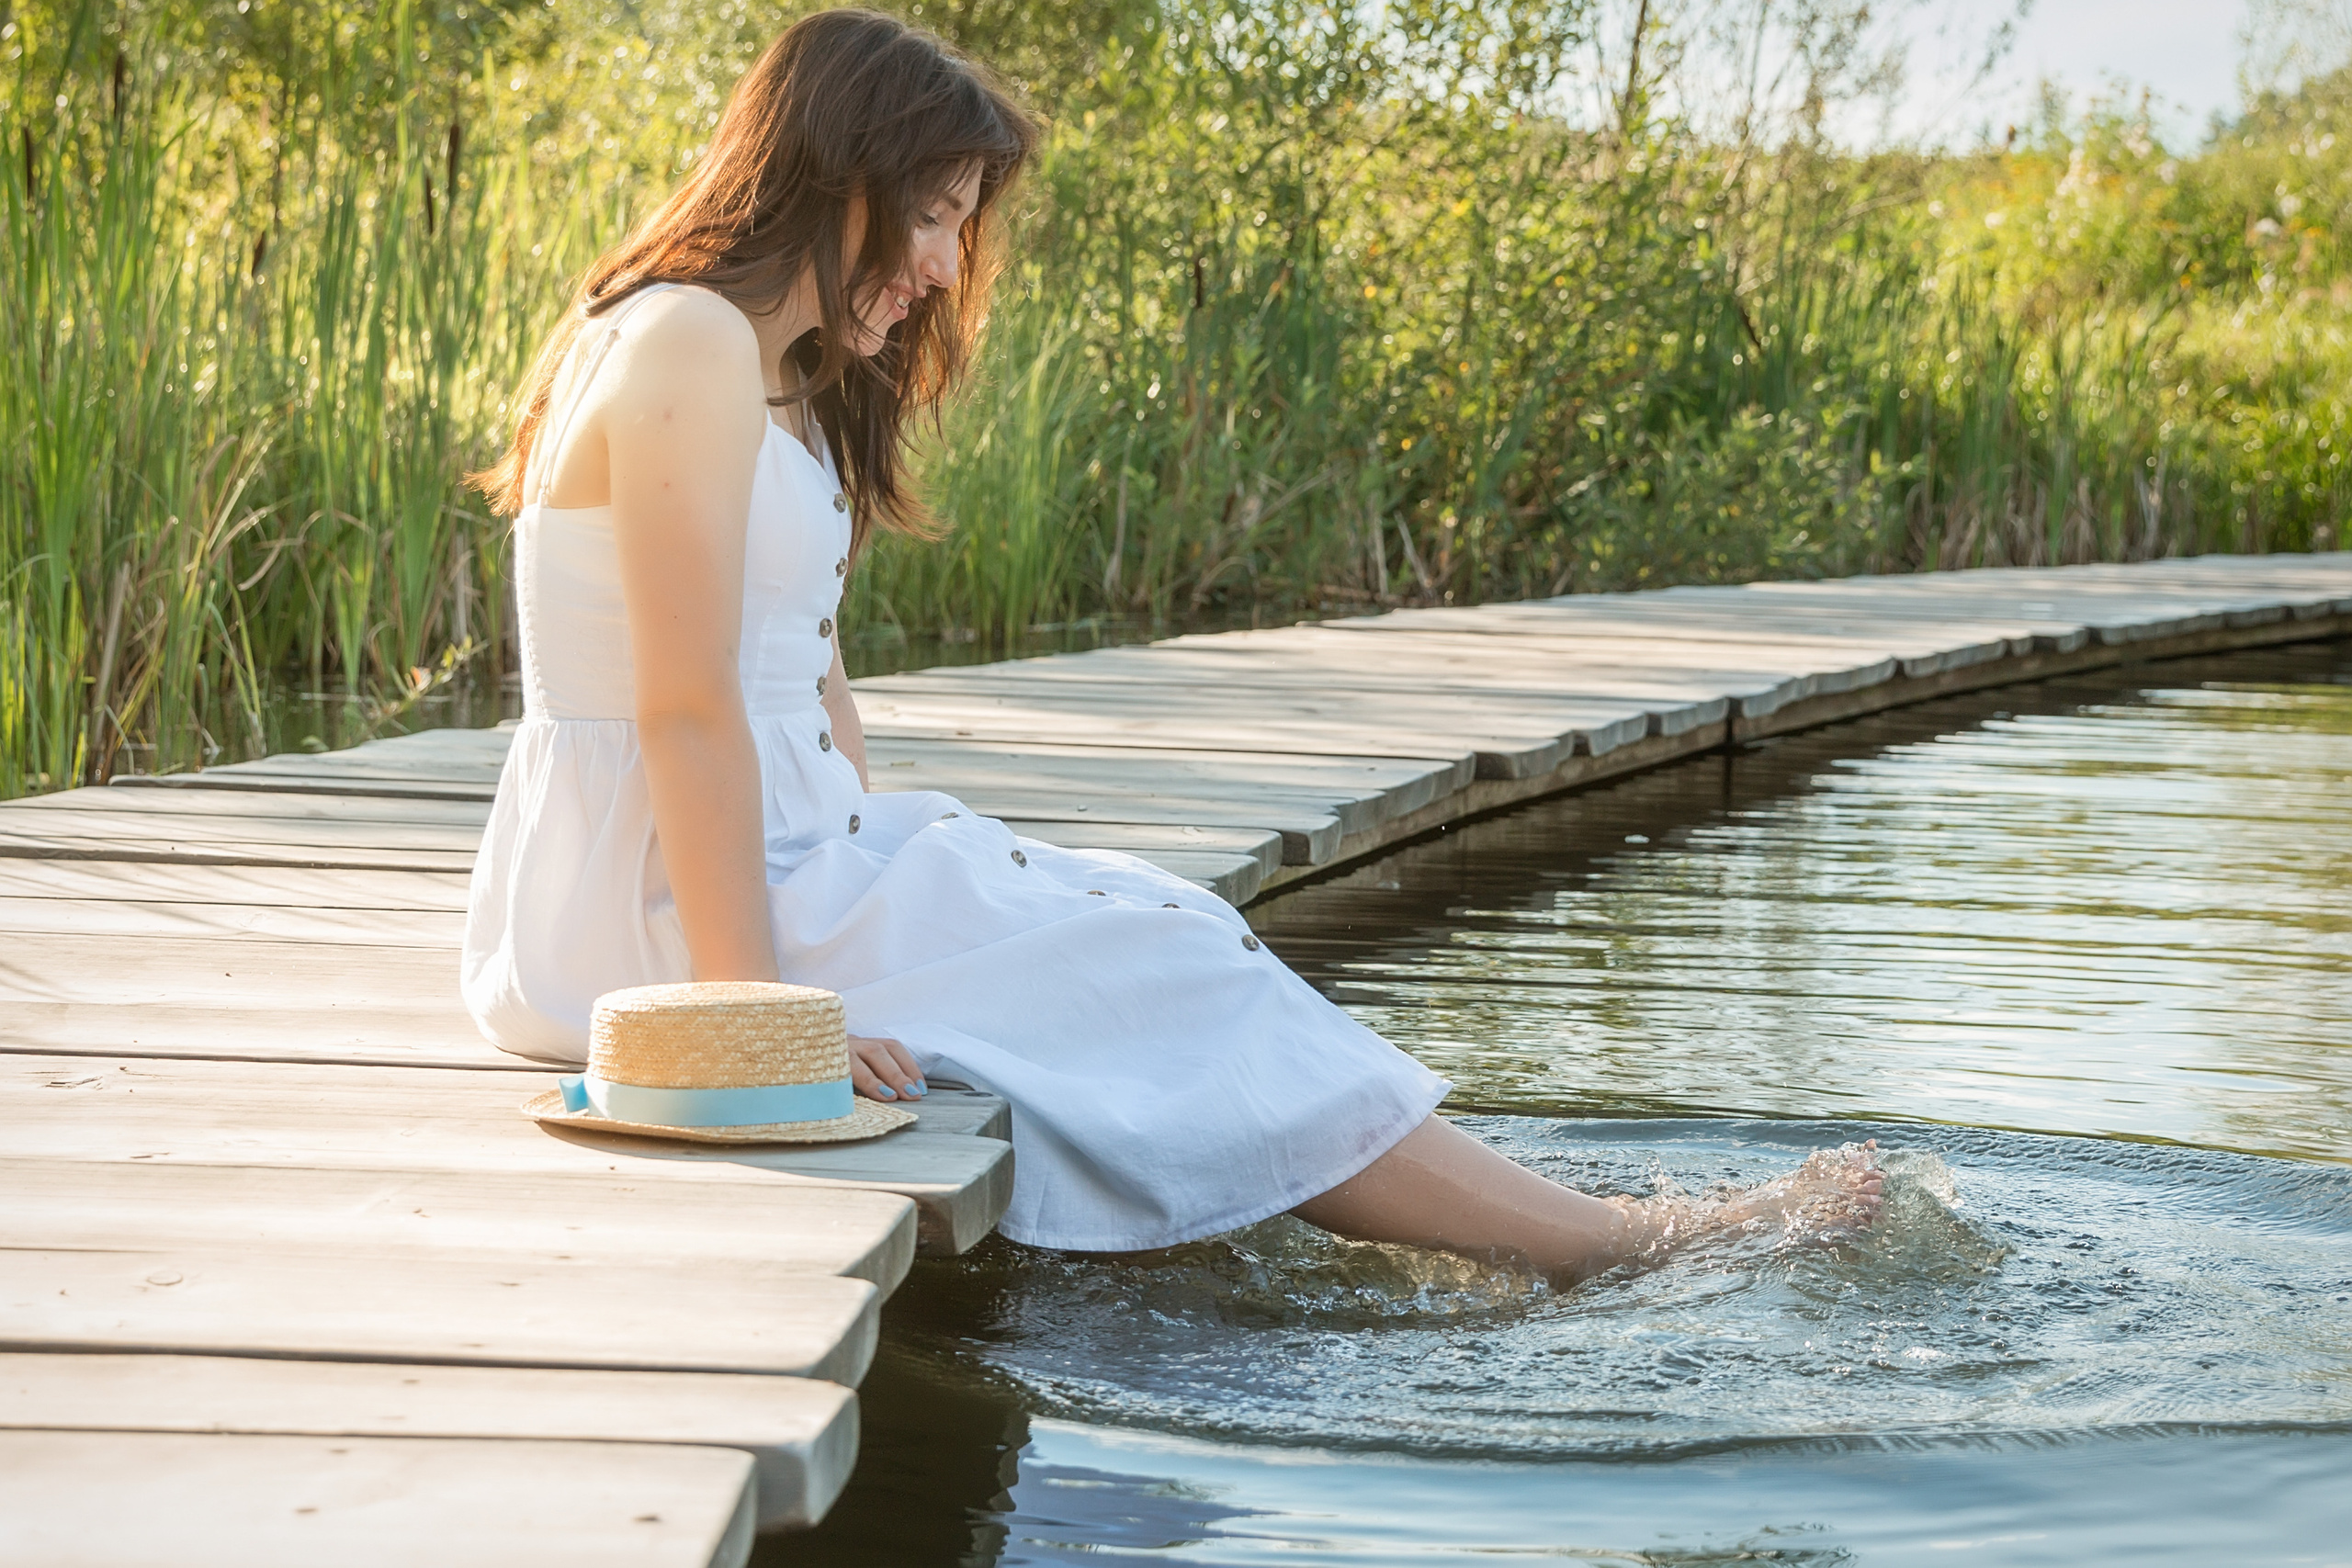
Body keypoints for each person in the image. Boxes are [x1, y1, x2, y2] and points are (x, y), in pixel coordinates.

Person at [462, 7, 1881, 1281]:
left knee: (1161, 920)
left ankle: (1547, 1224)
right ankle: (1613, 1247)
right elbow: (688, 705)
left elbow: (802, 665)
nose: (950, 269)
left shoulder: (787, 371)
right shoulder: (684, 345)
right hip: (659, 912)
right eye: (937, 217)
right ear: (843, 176)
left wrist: (896, 854)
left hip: (775, 862)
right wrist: (758, 1019)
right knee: (1157, 970)